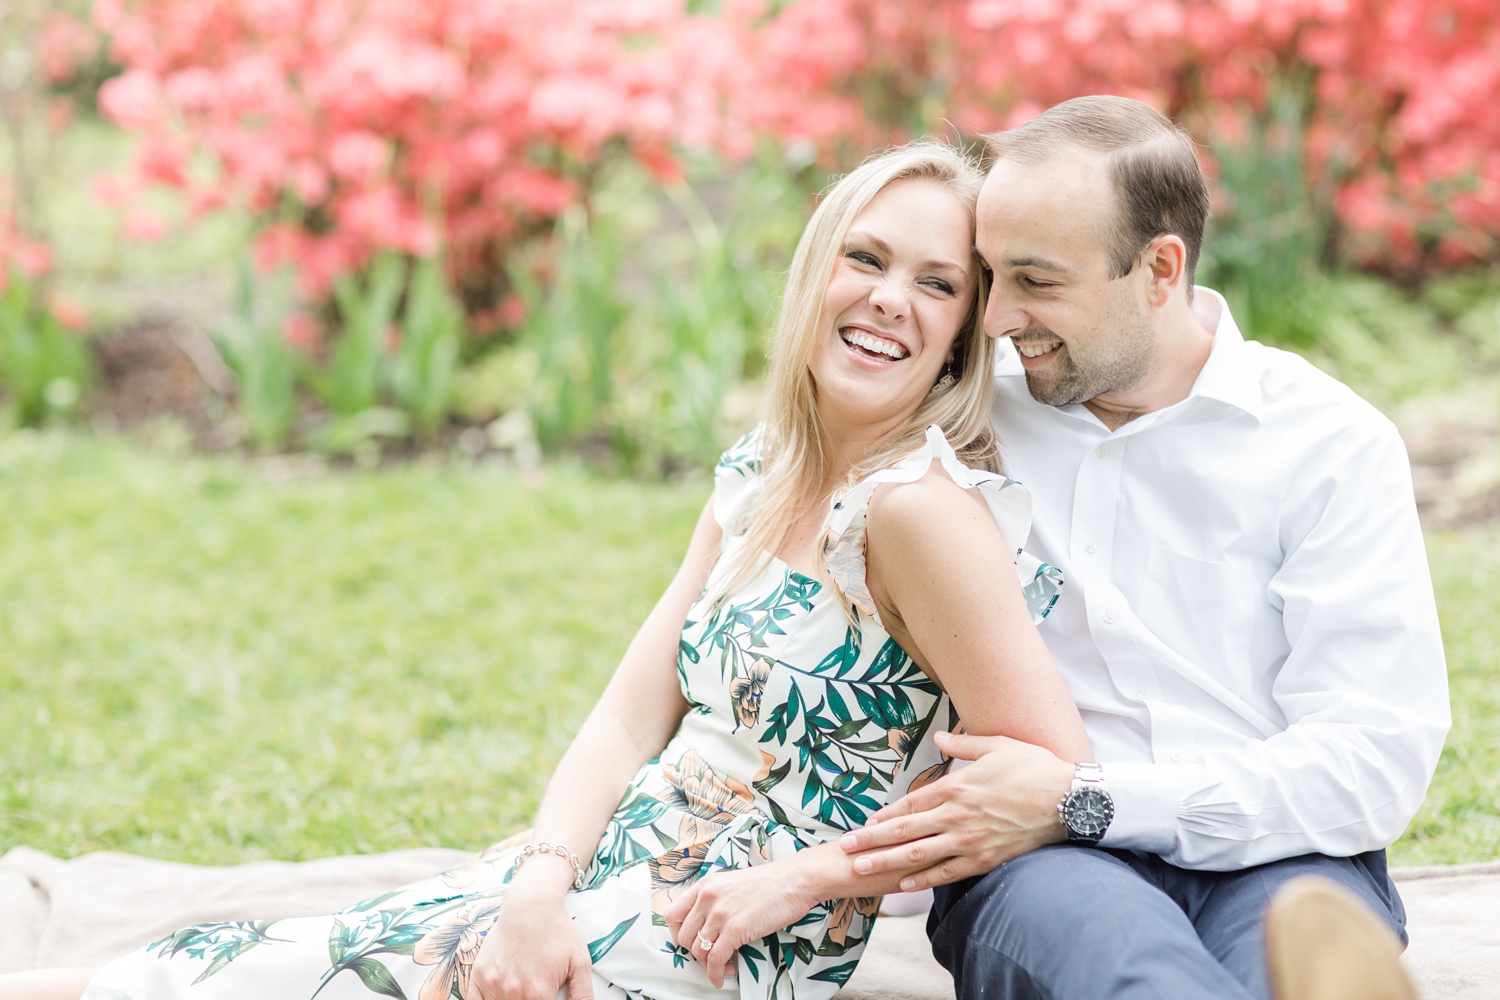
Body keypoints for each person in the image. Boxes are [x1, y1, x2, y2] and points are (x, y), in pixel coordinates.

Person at [4, 142, 1096, 1000]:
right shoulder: (764, 473)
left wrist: (812, 879)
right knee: (291, 952)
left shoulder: (916, 514)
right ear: (817, 272)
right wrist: (539, 876)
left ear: (963, 336)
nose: (888, 299)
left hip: (728, 931)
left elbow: (1048, 772)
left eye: (937, 284)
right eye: (866, 258)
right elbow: (630, 716)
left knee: (325, 976)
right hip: (625, 852)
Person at [836, 96, 1451, 1000]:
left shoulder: (1329, 444)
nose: (999, 317)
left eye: (1038, 282)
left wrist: (1088, 799)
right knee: (1126, 972)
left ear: (1159, 270)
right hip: (1034, 862)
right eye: (988, 276)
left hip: (1279, 856)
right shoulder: (962, 419)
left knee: (1278, 967)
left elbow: (1372, 758)